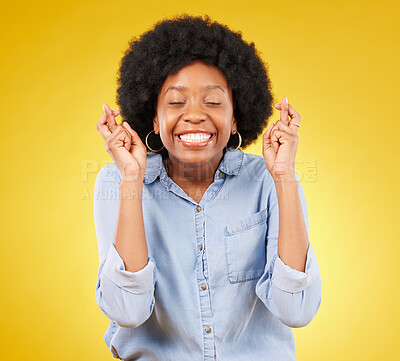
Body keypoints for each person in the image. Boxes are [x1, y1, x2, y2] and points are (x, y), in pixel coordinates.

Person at [93, 14, 321, 361]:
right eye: (176, 101)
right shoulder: (116, 180)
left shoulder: (269, 180)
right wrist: (131, 181)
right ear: (154, 118)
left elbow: (297, 310)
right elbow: (128, 310)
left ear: (234, 119)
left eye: (213, 102)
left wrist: (285, 176)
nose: (195, 115)